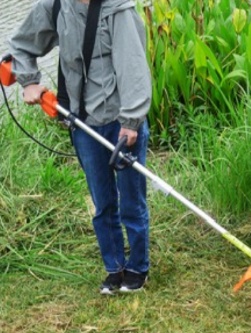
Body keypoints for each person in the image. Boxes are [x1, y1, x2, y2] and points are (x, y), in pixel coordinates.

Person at [8, 0, 152, 293]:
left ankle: (138, 267)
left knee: (132, 203)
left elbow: (133, 68)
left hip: (122, 123)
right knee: (103, 203)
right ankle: (114, 268)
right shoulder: (56, 6)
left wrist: (131, 123)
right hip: (84, 123)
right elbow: (22, 45)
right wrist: (28, 81)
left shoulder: (119, 10)